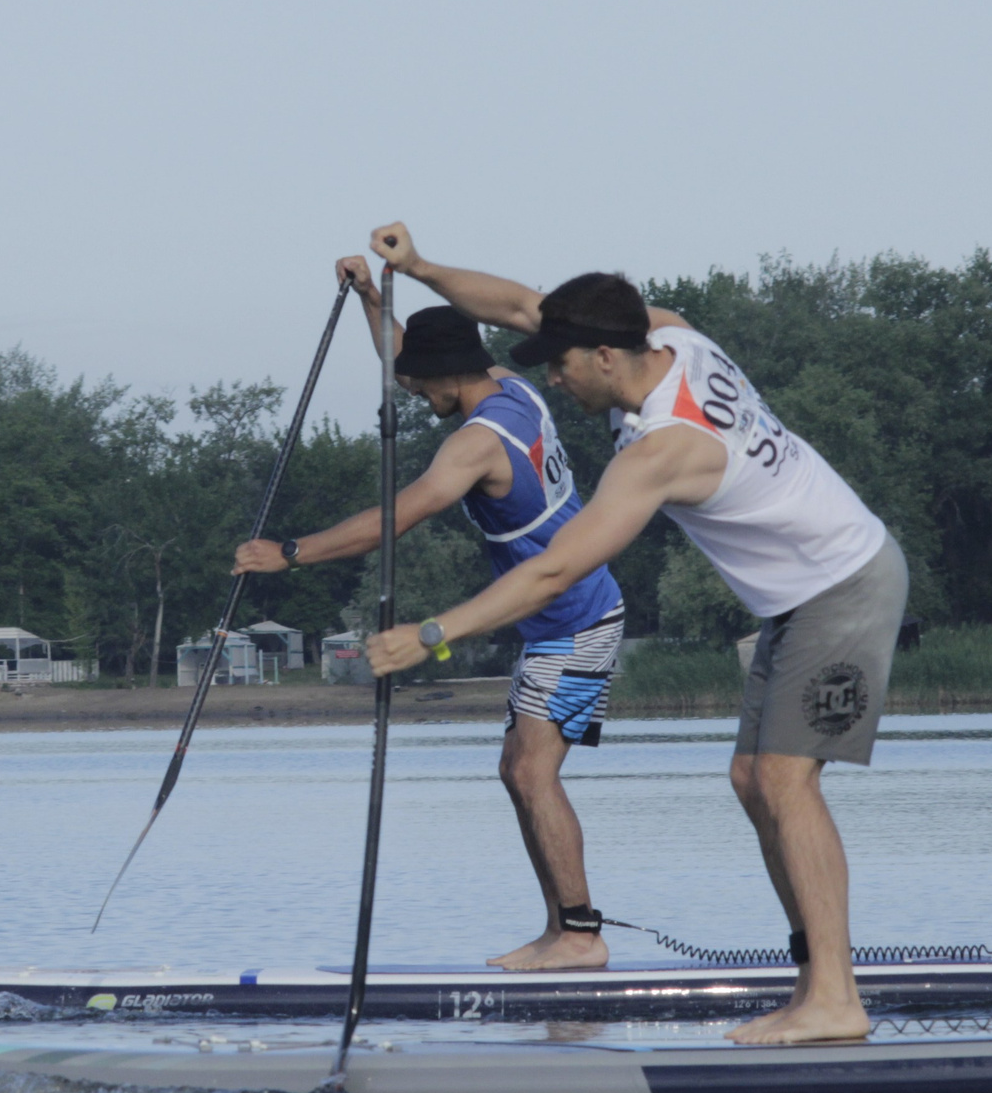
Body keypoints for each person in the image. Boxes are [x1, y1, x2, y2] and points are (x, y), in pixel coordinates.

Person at [359, 224, 908, 1045]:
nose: (551, 379)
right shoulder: (674, 336)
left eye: (561, 365)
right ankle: (815, 981)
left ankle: (835, 996)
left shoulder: (662, 449)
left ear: (606, 357)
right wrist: (421, 267)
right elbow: (520, 305)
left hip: (844, 583)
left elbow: (554, 571)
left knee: (785, 781)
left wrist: (433, 633)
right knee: (753, 780)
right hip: (797, 601)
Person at [233, 256, 627, 971]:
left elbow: (393, 520)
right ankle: (561, 930)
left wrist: (289, 552)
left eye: (420, 384)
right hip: (551, 620)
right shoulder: (509, 386)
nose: (412, 391)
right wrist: (370, 298)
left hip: (576, 618)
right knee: (517, 770)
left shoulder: (474, 445)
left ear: (447, 377)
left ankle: (580, 934)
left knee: (532, 774)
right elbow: (411, 355)